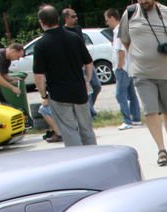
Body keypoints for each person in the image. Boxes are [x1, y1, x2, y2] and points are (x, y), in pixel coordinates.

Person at [119, 0, 167, 165]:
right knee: (150, 110)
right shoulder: (130, 13)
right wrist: (138, 56)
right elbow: (125, 40)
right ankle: (161, 149)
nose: (144, 1)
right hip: (142, 72)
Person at [33, 5, 97, 146]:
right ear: (58, 19)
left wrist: (43, 95)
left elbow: (38, 75)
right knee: (86, 129)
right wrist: (87, 81)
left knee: (69, 130)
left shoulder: (41, 44)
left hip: (58, 94)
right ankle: (94, 157)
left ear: (41, 22)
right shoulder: (74, 37)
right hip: (79, 90)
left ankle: (77, 161)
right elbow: (88, 62)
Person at [105, 8, 141, 130]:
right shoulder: (123, 29)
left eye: (107, 20)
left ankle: (127, 121)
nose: (106, 23)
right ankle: (136, 118)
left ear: (111, 17)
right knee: (132, 94)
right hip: (129, 67)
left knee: (120, 95)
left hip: (123, 68)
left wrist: (119, 66)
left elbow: (120, 51)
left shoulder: (118, 31)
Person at [63, 7, 102, 116]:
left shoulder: (78, 28)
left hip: (87, 62)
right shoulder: (64, 32)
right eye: (73, 16)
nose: (76, 18)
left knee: (97, 86)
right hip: (78, 65)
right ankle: (90, 113)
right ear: (66, 18)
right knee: (86, 88)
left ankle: (90, 108)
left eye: (76, 15)